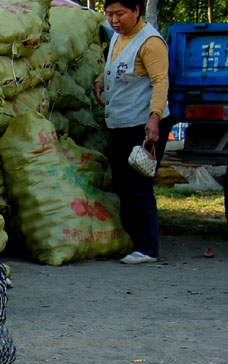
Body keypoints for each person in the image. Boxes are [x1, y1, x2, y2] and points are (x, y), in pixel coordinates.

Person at [94, 0, 176, 264]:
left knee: (138, 185)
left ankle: (147, 247)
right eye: (109, 14)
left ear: (137, 11)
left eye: (120, 14)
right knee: (121, 183)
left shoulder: (150, 41)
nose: (114, 20)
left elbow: (160, 81)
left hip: (143, 126)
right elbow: (115, 66)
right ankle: (131, 240)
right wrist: (100, 80)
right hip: (121, 123)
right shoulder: (119, 37)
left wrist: (154, 117)